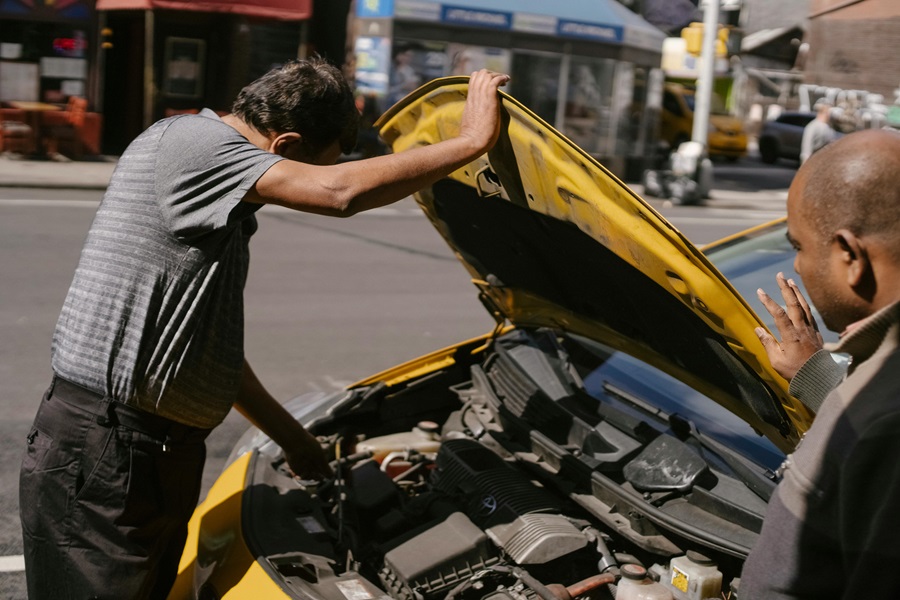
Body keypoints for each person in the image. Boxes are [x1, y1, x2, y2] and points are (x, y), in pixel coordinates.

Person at [19, 57, 509, 599]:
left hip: (145, 455)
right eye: (314, 164)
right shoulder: (195, 144)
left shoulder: (218, 200)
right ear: (286, 148)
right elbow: (337, 192)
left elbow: (210, 354)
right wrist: (470, 142)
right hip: (107, 449)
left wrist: (296, 441)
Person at [740, 128, 900, 599]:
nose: (798, 268)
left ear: (850, 255)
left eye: (799, 247)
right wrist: (818, 372)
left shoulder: (888, 425)